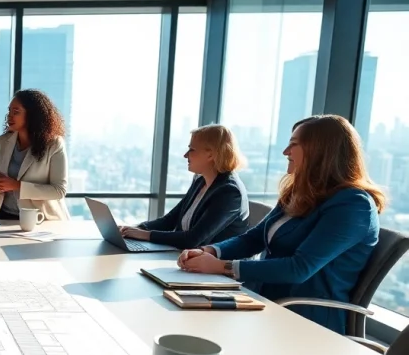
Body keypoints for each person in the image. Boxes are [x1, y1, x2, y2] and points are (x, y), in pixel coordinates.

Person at [178, 115, 385, 335]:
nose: (286, 152)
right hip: (262, 300)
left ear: (320, 150)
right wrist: (209, 250)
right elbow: (255, 237)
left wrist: (220, 267)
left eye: (294, 144)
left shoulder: (353, 206)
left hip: (304, 321)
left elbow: (299, 268)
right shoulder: (299, 193)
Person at [120, 124, 250, 249]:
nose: (185, 155)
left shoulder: (229, 192)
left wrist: (146, 235)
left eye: (192, 149)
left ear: (210, 154)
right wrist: (133, 229)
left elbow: (192, 239)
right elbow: (170, 220)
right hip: (187, 258)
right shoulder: (201, 181)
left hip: (214, 267)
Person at [0, 89, 69, 221]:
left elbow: (59, 191)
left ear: (32, 115)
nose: (9, 116)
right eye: (9, 111)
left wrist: (17, 186)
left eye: (16, 112)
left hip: (39, 219)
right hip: (3, 216)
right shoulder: (4, 141)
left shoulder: (54, 144)